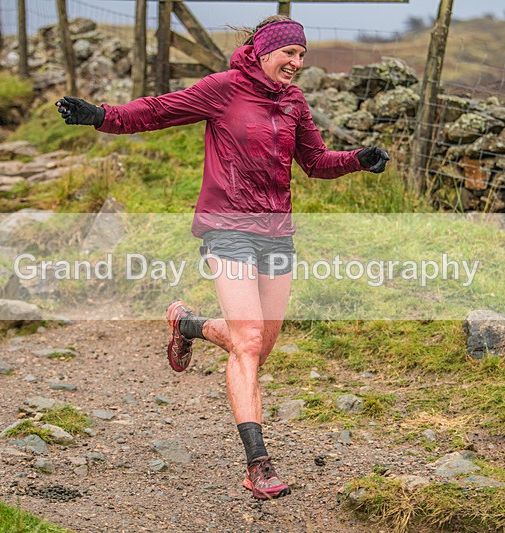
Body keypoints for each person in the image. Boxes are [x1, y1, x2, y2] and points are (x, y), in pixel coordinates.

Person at [56, 15, 390, 500]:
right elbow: (156, 110)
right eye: (289, 54)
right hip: (226, 226)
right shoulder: (225, 89)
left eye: (302, 56)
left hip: (276, 233)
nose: (297, 64)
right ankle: (259, 464)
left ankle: (187, 325)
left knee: (256, 342)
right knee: (249, 340)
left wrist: (358, 158)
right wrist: (100, 116)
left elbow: (314, 163)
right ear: (263, 51)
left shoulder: (294, 102)